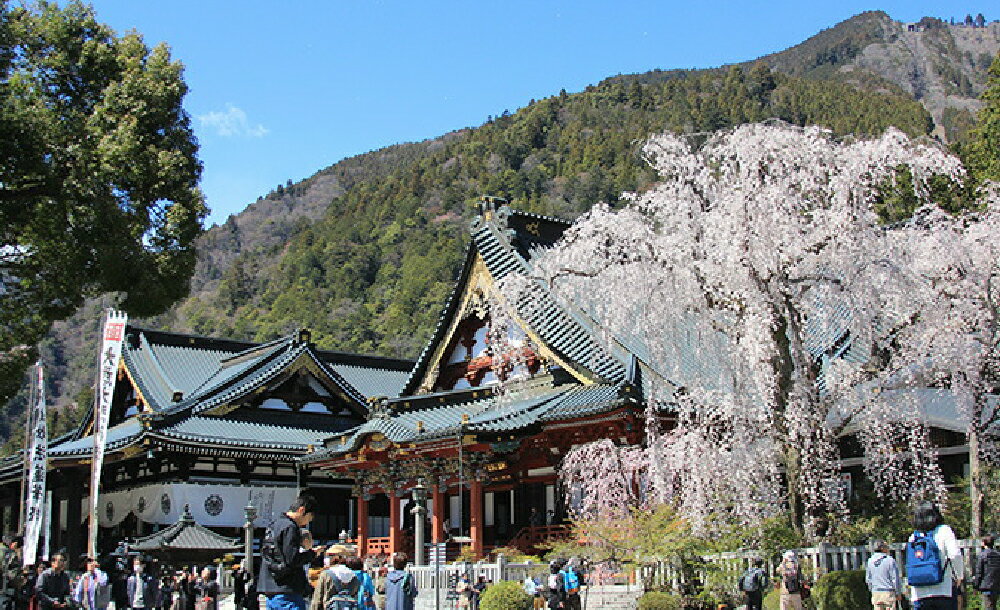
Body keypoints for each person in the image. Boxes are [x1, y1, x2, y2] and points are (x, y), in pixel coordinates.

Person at [258, 493, 325, 610]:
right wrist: (313, 553)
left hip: (270, 587)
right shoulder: (290, 527)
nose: (306, 523)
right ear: (301, 510)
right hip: (287, 590)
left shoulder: (274, 525)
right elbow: (292, 559)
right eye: (308, 518)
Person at [907, 501, 963, 610]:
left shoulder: (913, 536)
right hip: (943, 589)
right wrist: (959, 576)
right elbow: (955, 555)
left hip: (919, 592)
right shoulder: (944, 531)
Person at [866, 540, 903, 610]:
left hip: (876, 592)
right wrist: (898, 593)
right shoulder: (890, 560)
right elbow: (895, 578)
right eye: (887, 547)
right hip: (888, 592)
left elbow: (868, 579)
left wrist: (872, 590)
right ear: (883, 548)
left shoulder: (870, 561)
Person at [976, 535, 1000, 610]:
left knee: (988, 606)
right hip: (996, 585)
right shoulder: (998, 555)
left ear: (984, 543)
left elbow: (979, 572)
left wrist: (976, 585)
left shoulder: (982, 555)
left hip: (986, 586)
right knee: (993, 605)